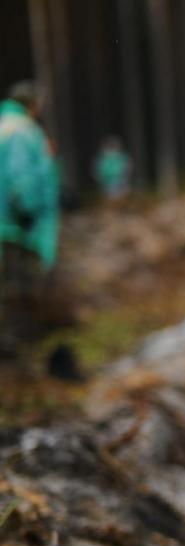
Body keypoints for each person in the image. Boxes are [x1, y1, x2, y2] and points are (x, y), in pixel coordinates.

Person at [0, 80, 60, 350]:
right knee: (17, 288)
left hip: (6, 221)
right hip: (15, 224)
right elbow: (21, 174)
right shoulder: (21, 131)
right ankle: (17, 347)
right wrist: (29, 208)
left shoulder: (5, 124)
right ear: (33, 104)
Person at [93, 136, 131, 202]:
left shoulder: (122, 157)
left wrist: (124, 177)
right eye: (109, 146)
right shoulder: (102, 159)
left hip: (120, 181)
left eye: (113, 146)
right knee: (110, 197)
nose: (111, 148)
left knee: (121, 197)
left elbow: (127, 168)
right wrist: (101, 179)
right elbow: (97, 171)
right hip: (107, 182)